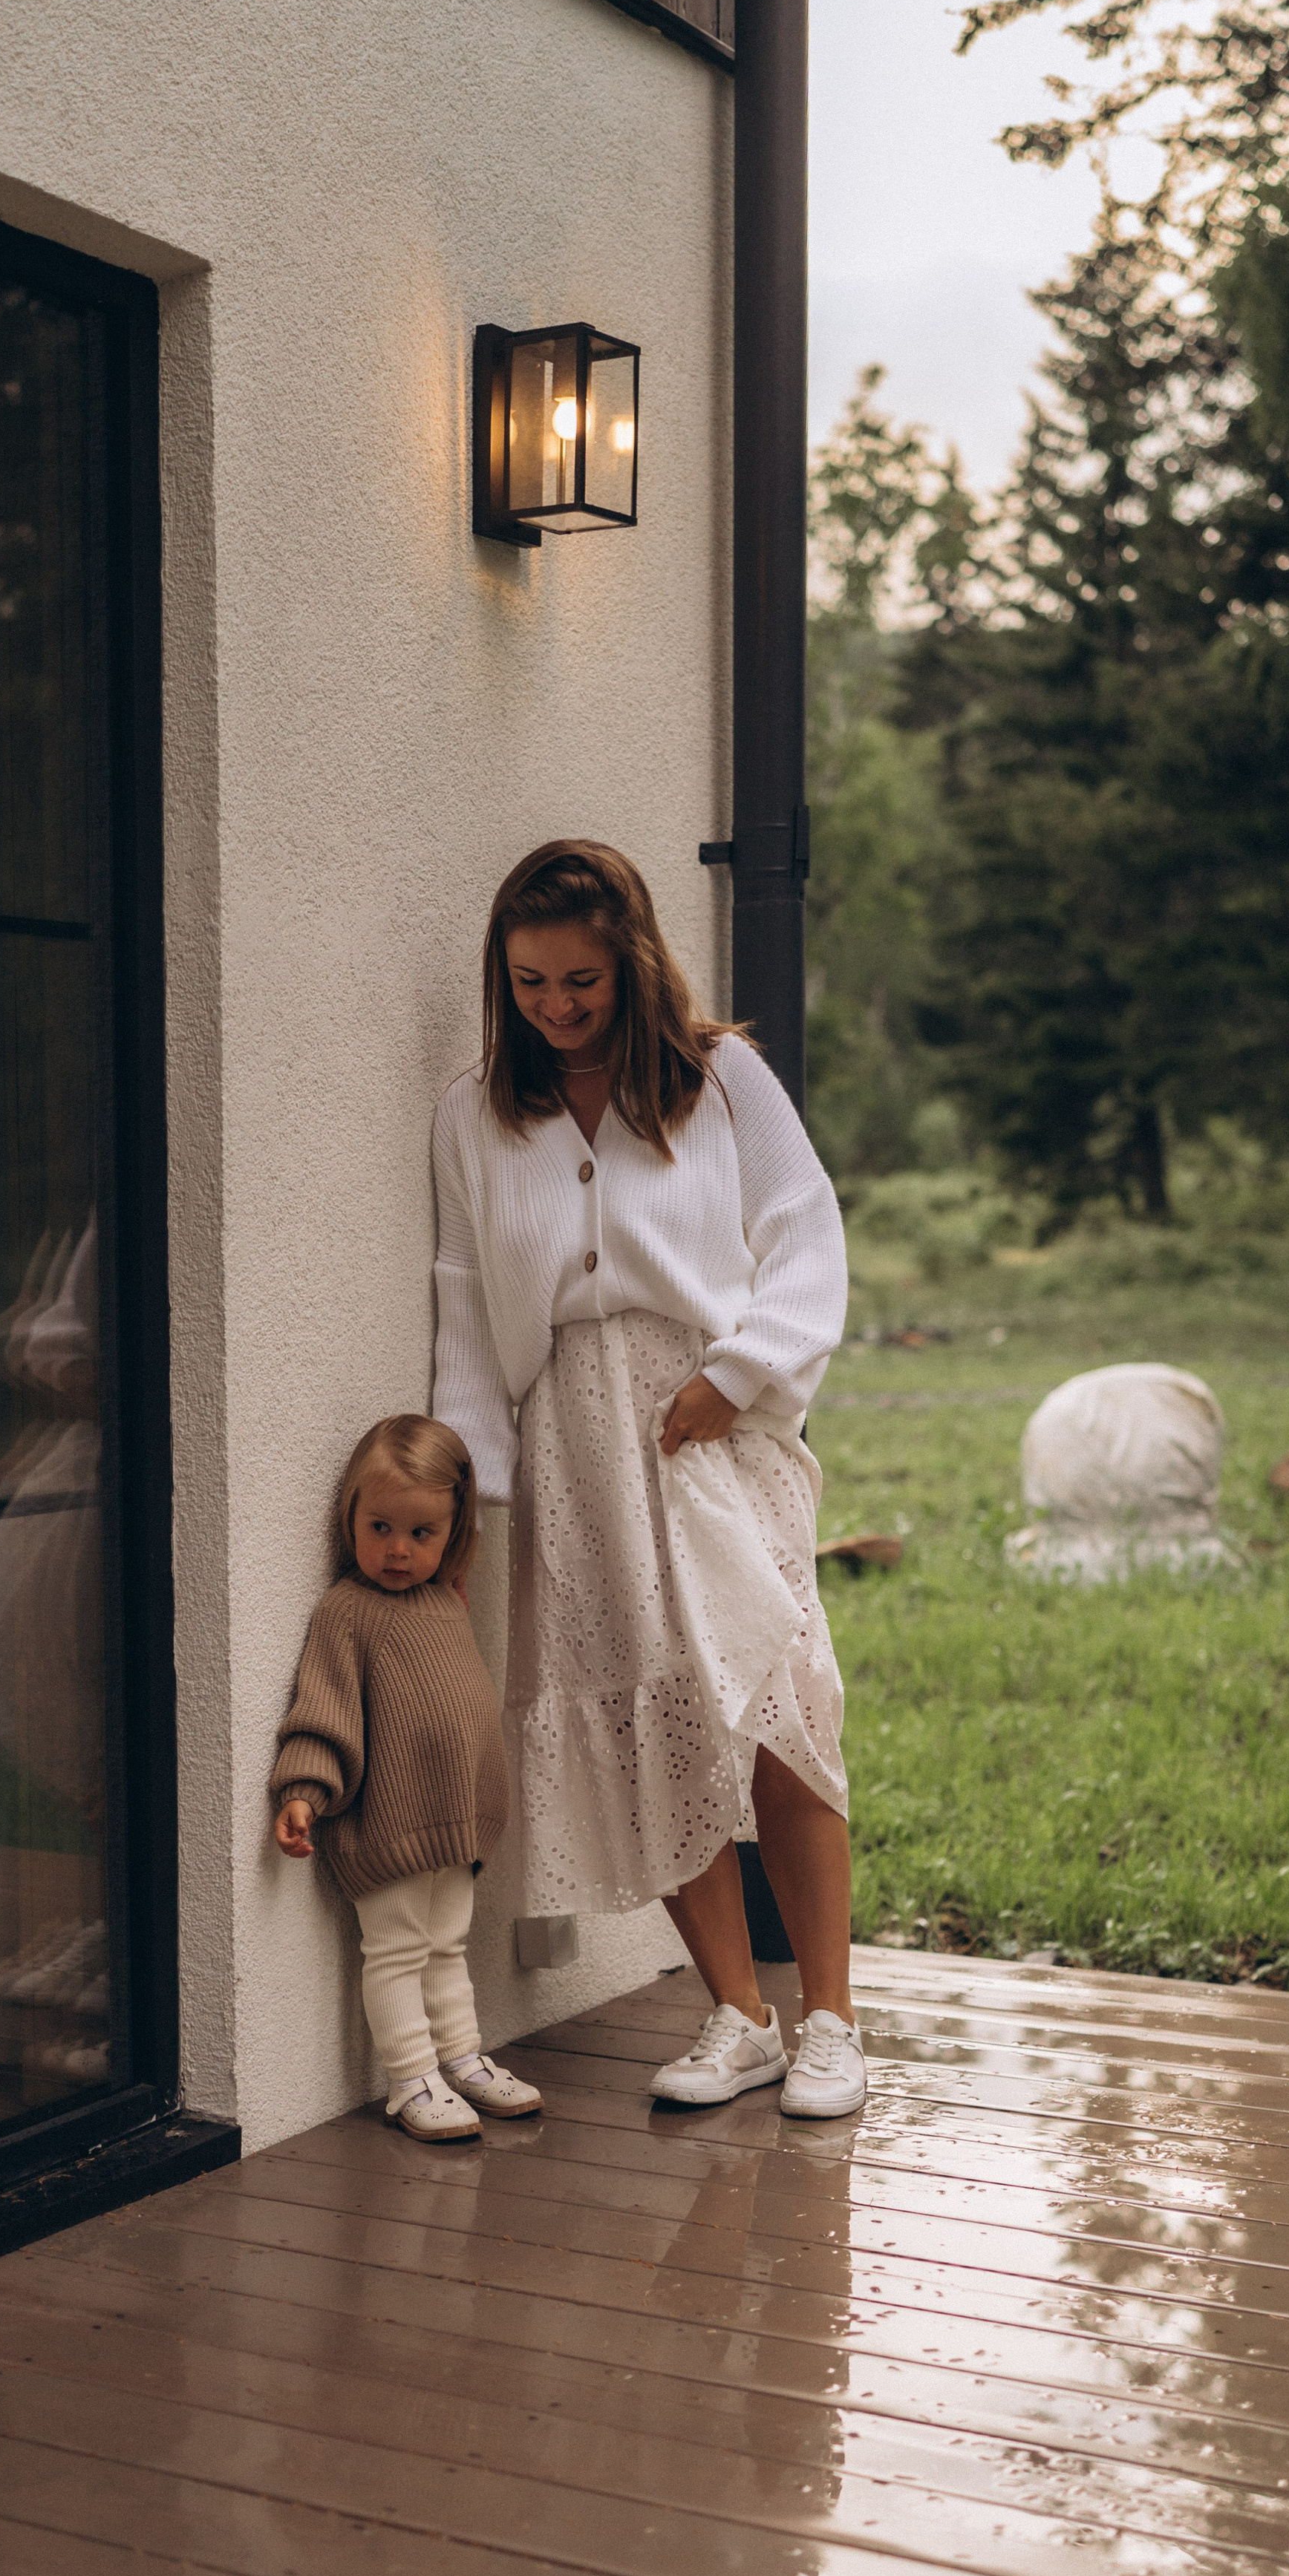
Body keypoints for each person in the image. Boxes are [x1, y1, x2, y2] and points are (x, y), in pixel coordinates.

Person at [431, 840, 864, 2116]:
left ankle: (831, 2017)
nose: (557, 1007)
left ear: (632, 964)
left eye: (582, 980)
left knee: (778, 1708)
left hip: (714, 1419)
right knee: (648, 1725)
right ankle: (738, 2016)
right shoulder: (474, 1111)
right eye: (529, 983)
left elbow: (806, 1233)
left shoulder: (721, 1079)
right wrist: (475, 1489)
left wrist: (736, 1378)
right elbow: (464, 1305)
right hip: (574, 1439)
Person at [270, 1413, 544, 2142]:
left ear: (452, 1535)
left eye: (421, 1534)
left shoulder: (444, 1600)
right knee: (394, 1949)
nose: (397, 1550)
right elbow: (323, 1711)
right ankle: (409, 2076)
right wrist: (302, 1790)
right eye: (380, 1527)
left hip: (453, 1821)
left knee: (447, 1943)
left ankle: (460, 2056)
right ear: (349, 1518)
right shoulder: (346, 1612)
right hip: (389, 1825)